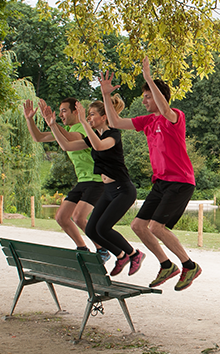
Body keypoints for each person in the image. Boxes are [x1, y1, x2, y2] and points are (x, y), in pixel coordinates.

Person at [104, 57, 201, 291]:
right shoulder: (147, 121)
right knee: (138, 226)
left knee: (157, 227)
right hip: (160, 182)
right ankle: (167, 265)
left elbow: (165, 108)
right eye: (144, 97)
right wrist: (106, 95)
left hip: (180, 181)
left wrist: (148, 77)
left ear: (159, 96)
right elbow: (114, 121)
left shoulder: (175, 116)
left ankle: (189, 265)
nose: (145, 101)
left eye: (148, 96)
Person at [43, 91, 145, 277]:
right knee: (91, 229)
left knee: (103, 227)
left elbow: (99, 145)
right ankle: (121, 255)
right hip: (108, 190)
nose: (88, 118)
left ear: (104, 117)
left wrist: (82, 122)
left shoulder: (114, 134)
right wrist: (52, 125)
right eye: (87, 114)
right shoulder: (92, 138)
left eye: (91, 115)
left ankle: (134, 254)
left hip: (123, 189)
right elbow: (66, 146)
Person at [23, 97, 110, 262]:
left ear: (76, 111)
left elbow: (71, 138)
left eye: (64, 110)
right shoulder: (62, 131)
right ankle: (82, 249)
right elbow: (39, 137)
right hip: (83, 181)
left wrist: (53, 124)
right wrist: (30, 120)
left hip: (97, 180)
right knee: (61, 217)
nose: (61, 114)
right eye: (60, 111)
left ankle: (103, 249)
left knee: (78, 217)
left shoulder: (86, 128)